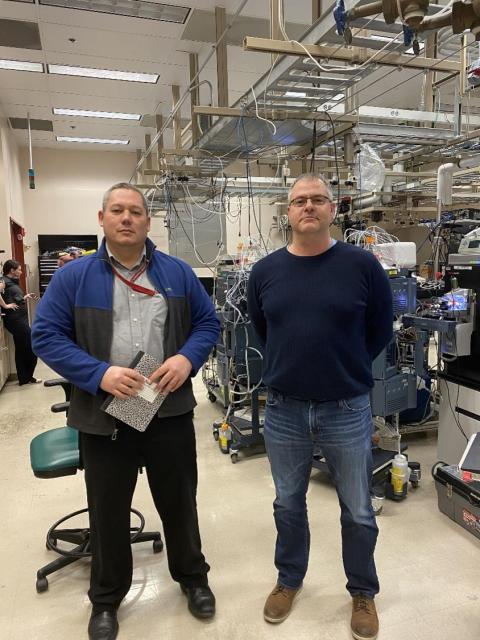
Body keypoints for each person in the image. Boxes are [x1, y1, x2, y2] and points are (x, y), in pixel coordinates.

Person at [32, 182, 220, 640]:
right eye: (117, 210)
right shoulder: (73, 278)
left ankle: (193, 578)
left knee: (179, 503)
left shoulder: (175, 273)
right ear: (102, 220)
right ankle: (106, 599)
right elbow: (47, 336)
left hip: (167, 409)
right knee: (108, 510)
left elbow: (208, 322)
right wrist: (99, 374)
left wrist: (185, 358)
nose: (126, 218)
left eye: (135, 211)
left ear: (147, 221)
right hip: (105, 416)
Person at [247, 173, 393, 640]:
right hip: (284, 410)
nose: (307, 207)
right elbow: (262, 330)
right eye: (298, 201)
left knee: (357, 509)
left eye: (317, 200)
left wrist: (343, 370)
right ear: (287, 213)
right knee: (288, 503)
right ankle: (289, 579)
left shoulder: (362, 265)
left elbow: (380, 330)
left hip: (346, 408)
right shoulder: (264, 271)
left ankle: (363, 592)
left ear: (333, 209)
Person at [2, 260, 41, 385]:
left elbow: (12, 297)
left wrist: (25, 296)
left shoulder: (12, 282)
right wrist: (6, 306)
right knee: (31, 345)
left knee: (21, 348)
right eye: (19, 269)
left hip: (20, 318)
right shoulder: (3, 280)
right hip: (15, 319)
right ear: (12, 270)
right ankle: (27, 377)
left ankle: (24, 379)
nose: (21, 271)